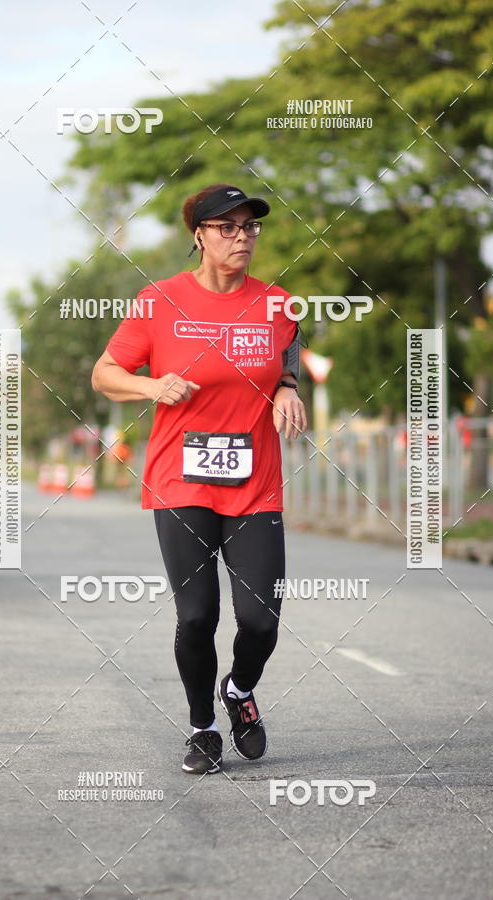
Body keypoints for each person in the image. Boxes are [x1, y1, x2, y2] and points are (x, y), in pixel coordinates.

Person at [92, 183, 307, 775]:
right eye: (227, 227)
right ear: (200, 236)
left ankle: (239, 690)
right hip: (179, 480)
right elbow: (105, 373)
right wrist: (150, 385)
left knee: (261, 618)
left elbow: (290, 348)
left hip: (255, 482)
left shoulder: (277, 303)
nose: (242, 237)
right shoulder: (159, 301)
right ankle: (202, 728)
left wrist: (288, 387)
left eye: (250, 227)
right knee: (196, 616)